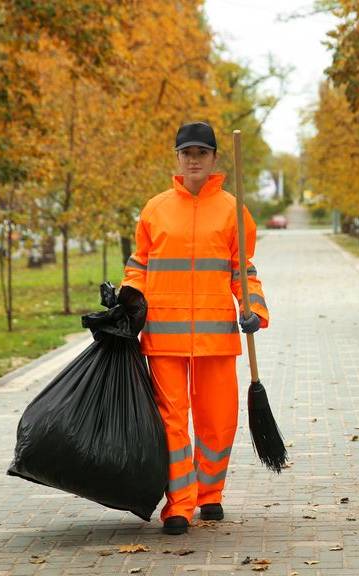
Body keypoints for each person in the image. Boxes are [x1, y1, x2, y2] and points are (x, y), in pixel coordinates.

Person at [119, 121, 269, 535]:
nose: (194, 159)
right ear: (178, 157)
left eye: (202, 152)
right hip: (163, 336)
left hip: (217, 337)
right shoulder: (155, 209)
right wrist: (127, 297)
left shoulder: (234, 212)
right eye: (187, 152)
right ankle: (179, 505)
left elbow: (245, 272)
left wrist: (253, 308)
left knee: (217, 421)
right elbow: (140, 265)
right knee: (171, 420)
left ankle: (211, 495)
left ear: (215, 158)